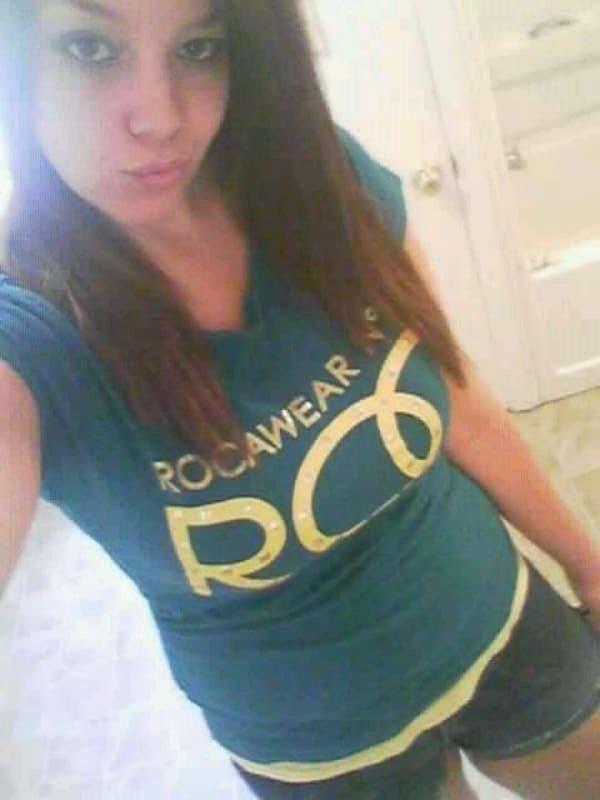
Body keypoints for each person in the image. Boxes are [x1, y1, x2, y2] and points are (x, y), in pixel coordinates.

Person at [0, 1, 599, 798]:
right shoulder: (27, 335)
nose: (159, 118)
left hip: (505, 626)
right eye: (90, 48)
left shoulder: (314, 184)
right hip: (325, 756)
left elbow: (458, 398)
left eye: (199, 47)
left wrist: (589, 565)